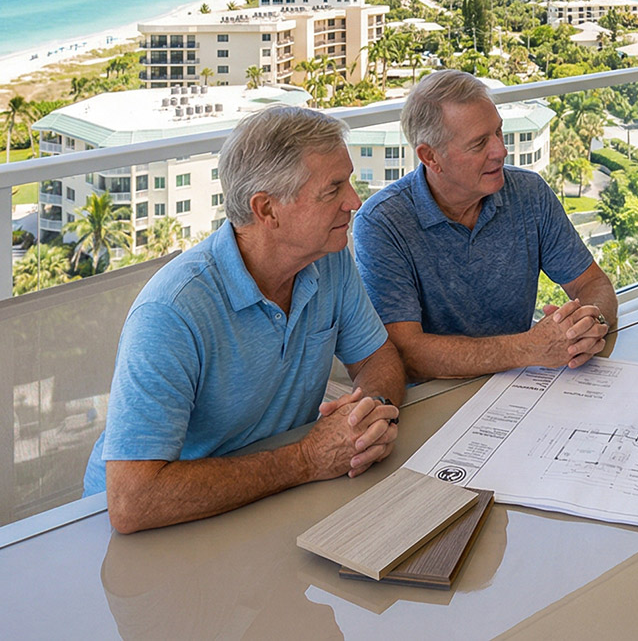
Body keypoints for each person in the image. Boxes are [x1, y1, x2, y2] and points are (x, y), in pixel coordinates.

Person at [85, 105, 406, 534]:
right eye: (332, 190)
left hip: (269, 502)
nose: (354, 201)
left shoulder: (328, 260)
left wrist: (371, 415)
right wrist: (307, 459)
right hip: (158, 528)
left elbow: (377, 356)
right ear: (267, 210)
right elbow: (132, 501)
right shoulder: (171, 314)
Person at [354, 70, 617, 378]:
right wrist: (529, 347)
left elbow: (594, 285)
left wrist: (589, 324)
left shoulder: (529, 192)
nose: (501, 151)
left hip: (519, 382)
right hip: (436, 397)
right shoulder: (382, 222)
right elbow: (407, 352)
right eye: (479, 144)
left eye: (498, 133)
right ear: (430, 156)